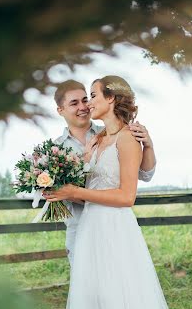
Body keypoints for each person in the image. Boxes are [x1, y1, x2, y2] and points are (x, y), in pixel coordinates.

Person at [45, 76, 192, 309]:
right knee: (91, 302)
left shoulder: (128, 138)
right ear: (60, 109)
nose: (88, 103)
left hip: (115, 230)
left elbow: (128, 196)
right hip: (87, 229)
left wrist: (77, 191)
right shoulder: (96, 140)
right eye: (81, 99)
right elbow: (86, 181)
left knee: (120, 299)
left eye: (92, 95)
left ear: (111, 99)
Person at [54, 79, 156, 266]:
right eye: (74, 103)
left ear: (110, 98)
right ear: (60, 110)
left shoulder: (116, 134)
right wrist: (83, 161)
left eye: (88, 98)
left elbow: (143, 177)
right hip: (80, 227)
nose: (85, 106)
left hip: (112, 224)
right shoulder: (56, 149)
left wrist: (148, 145)